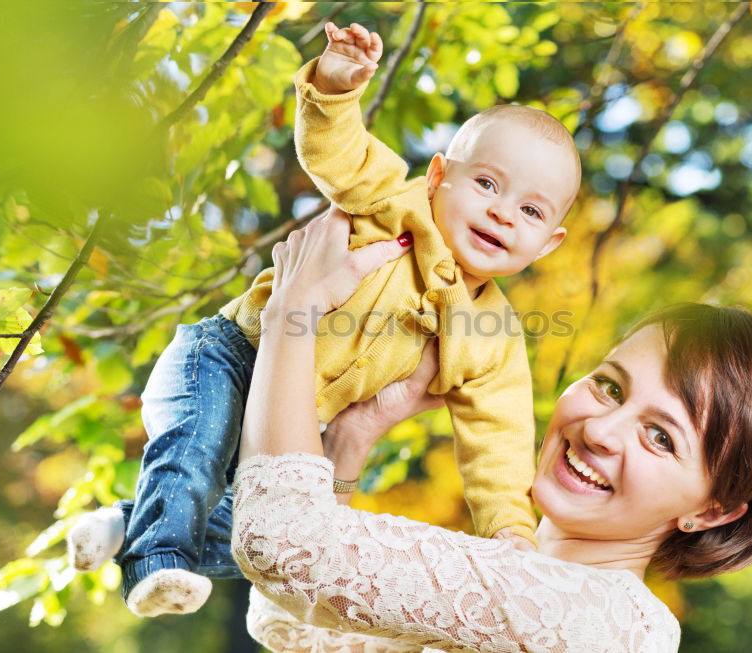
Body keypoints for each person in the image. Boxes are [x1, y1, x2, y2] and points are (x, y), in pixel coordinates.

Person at [68, 19, 581, 617]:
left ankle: (120, 528)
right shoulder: (391, 204)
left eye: (530, 210)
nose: (502, 213)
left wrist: (509, 534)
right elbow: (339, 152)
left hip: (293, 423)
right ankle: (156, 563)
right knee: (196, 451)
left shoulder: (489, 338)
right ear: (439, 176)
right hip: (232, 357)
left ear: (548, 243)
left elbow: (501, 439)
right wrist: (336, 89)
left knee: (265, 531)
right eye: (487, 183)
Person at [231, 211, 752, 651]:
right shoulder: (509, 594)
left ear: (712, 513)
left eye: (662, 437)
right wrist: (355, 434)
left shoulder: (612, 624)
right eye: (612, 387)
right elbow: (290, 624)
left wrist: (293, 312)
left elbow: (284, 548)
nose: (600, 428)